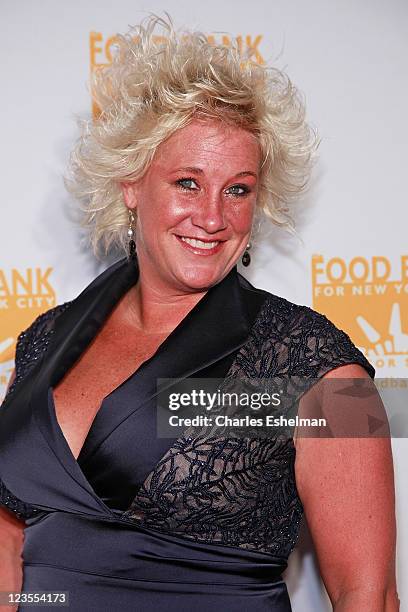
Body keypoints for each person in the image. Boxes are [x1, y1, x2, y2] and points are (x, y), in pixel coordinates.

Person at [0, 15, 399, 612]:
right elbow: (12, 543)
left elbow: (368, 595)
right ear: (131, 183)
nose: (213, 217)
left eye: (238, 189)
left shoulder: (318, 369)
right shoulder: (46, 340)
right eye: (188, 182)